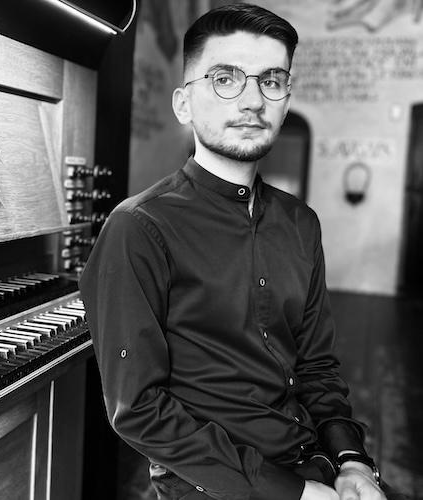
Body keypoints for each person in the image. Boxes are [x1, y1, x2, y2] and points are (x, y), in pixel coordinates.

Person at [79, 4, 396, 499]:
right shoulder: (137, 228)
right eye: (225, 79)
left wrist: (352, 460)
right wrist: (293, 493)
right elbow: (138, 410)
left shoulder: (301, 223)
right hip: (210, 484)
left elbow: (317, 369)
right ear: (183, 104)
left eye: (271, 80)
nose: (252, 101)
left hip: (314, 462)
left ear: (286, 101)